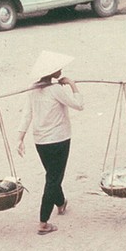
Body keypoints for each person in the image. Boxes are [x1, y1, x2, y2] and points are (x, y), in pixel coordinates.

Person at [17, 51, 84, 235]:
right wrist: (72, 85)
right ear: (52, 72)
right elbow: (79, 105)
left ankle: (61, 204)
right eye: (58, 69)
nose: (61, 70)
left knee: (52, 175)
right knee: (53, 178)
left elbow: (26, 115)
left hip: (40, 141)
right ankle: (43, 223)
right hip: (59, 140)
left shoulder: (33, 89)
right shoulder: (56, 90)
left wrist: (20, 138)